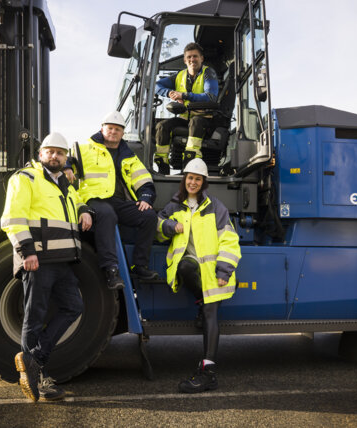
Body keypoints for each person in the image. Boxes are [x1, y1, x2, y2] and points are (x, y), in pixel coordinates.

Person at [0, 132, 93, 403]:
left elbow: (76, 203)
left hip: (62, 261)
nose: (55, 156)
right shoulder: (25, 178)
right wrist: (27, 252)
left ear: (65, 158)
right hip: (38, 260)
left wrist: (85, 209)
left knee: (74, 307)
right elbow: (12, 218)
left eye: (60, 153)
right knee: (35, 316)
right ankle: (36, 378)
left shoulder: (65, 184)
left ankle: (34, 361)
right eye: (50, 151)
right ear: (40, 154)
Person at [156, 158, 241, 393]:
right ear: (185, 180)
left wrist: (224, 271)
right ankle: (201, 300)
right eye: (190, 178)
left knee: (211, 313)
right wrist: (170, 228)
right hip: (192, 265)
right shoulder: (175, 204)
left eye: (198, 179)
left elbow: (230, 240)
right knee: (184, 269)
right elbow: (158, 225)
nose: (193, 182)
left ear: (204, 183)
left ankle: (208, 372)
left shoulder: (215, 206)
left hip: (214, 273)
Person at [74, 111, 159, 289]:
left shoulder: (128, 155)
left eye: (118, 129)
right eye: (110, 128)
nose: (113, 132)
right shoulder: (83, 149)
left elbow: (144, 180)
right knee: (107, 214)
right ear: (102, 129)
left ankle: (139, 266)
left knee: (149, 216)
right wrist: (67, 165)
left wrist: (145, 197)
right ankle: (111, 270)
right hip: (94, 198)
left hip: (119, 201)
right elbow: (64, 161)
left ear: (122, 133)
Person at [154, 42, 220, 174]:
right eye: (189, 57)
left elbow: (211, 97)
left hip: (204, 120)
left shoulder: (208, 73)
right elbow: (156, 86)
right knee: (162, 126)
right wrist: (170, 93)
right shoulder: (180, 76)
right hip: (185, 118)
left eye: (195, 56)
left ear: (201, 58)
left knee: (196, 122)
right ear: (184, 60)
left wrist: (184, 95)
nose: (192, 60)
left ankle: (190, 161)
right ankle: (163, 165)